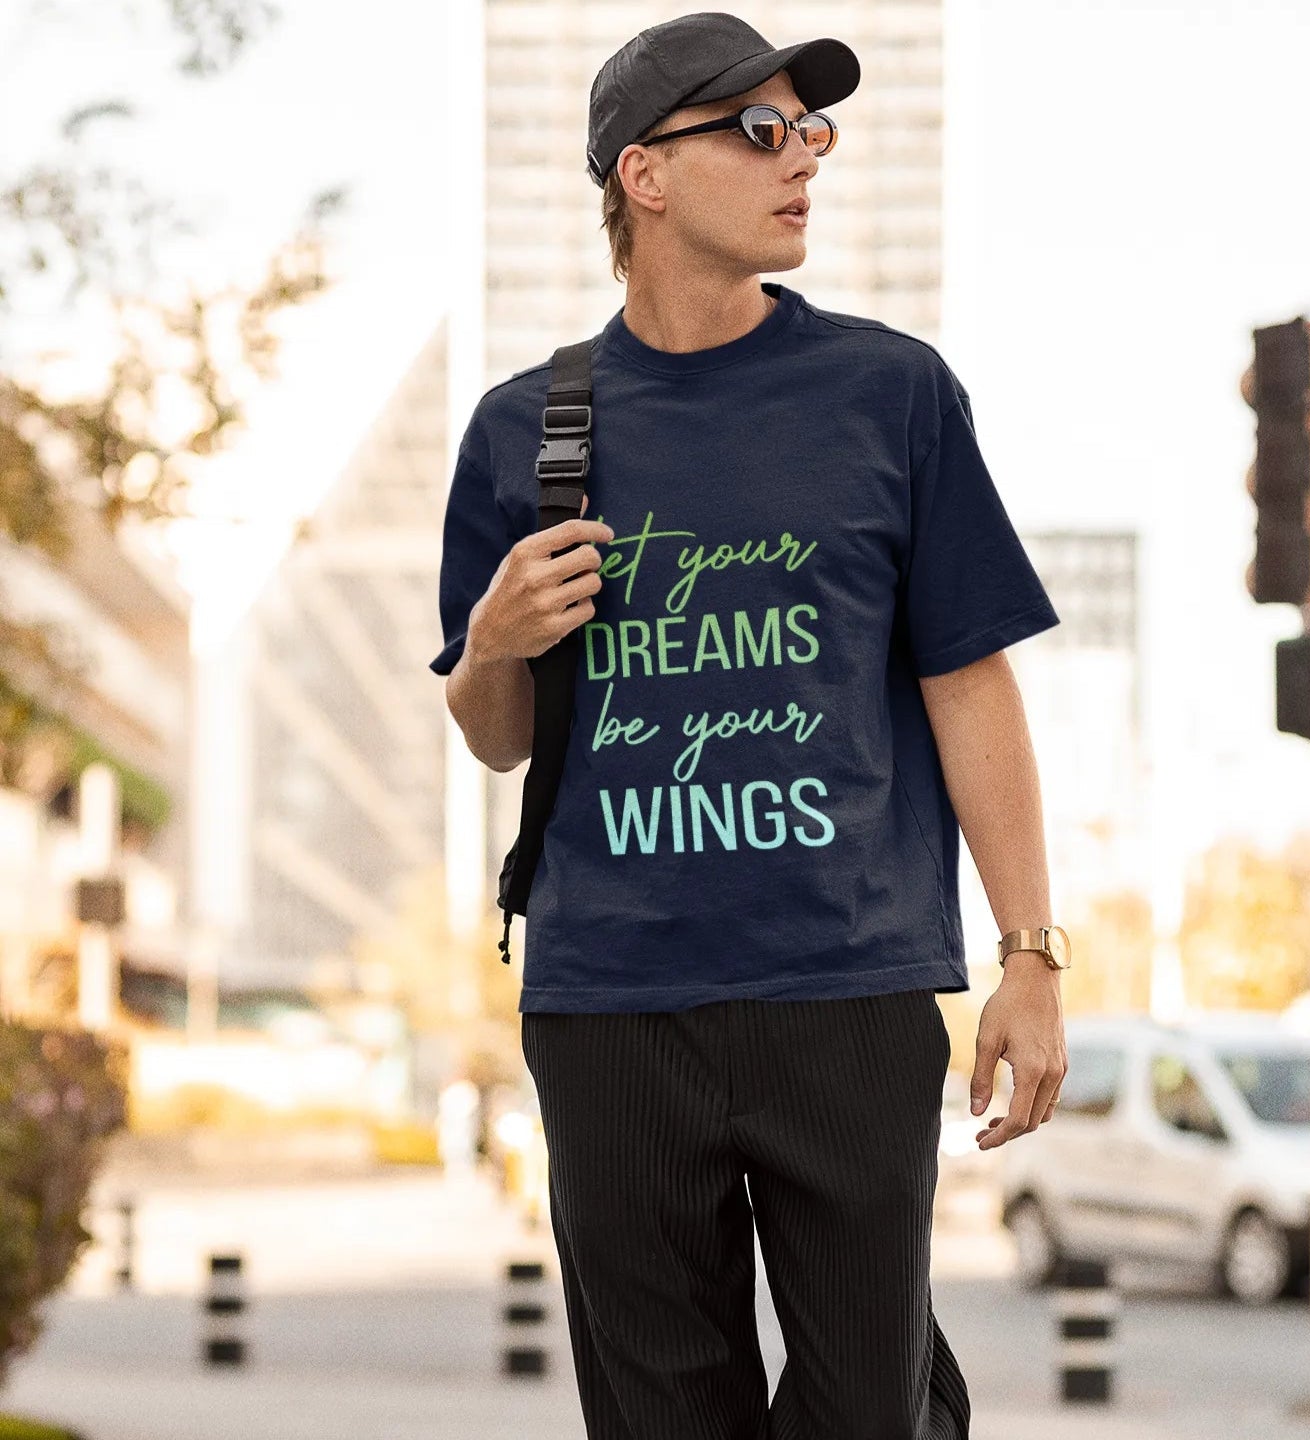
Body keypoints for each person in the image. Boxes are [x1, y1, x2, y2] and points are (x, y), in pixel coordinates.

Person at [430, 13, 1071, 1438]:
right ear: (645, 176)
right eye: (762, 132)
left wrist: (1030, 953)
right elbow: (495, 736)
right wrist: (490, 644)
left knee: (870, 1410)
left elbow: (970, 680)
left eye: (813, 132)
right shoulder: (525, 428)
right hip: (611, 1003)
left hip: (846, 988)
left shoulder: (890, 394)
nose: (807, 162)